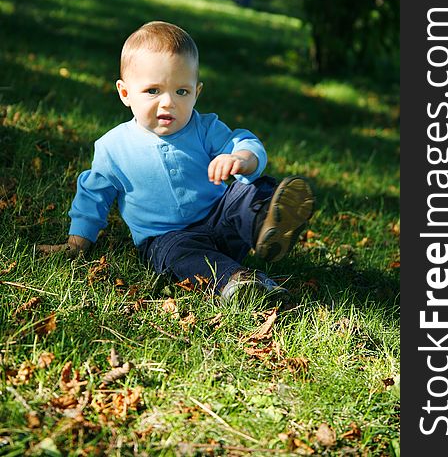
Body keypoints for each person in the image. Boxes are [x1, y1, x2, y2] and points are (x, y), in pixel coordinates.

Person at [38, 21, 314, 304]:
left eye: (182, 91)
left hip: (221, 221)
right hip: (166, 237)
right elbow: (92, 196)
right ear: (125, 93)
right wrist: (77, 242)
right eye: (153, 91)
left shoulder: (204, 127)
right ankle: (237, 281)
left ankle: (266, 223)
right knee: (178, 254)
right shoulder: (113, 147)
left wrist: (240, 159)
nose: (168, 102)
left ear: (197, 92)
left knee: (252, 187)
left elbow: (243, 141)